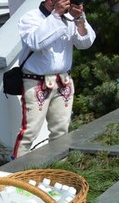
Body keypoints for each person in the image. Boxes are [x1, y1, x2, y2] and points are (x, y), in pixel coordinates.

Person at [12, 0, 95, 158]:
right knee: (30, 131)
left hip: (63, 82)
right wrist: (56, 15)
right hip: (36, 82)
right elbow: (36, 42)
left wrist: (79, 19)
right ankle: (16, 171)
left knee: (61, 130)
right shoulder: (30, 18)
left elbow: (85, 43)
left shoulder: (69, 18)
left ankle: (58, 166)